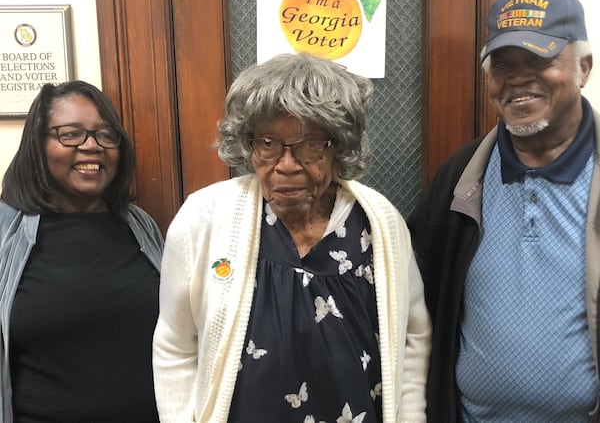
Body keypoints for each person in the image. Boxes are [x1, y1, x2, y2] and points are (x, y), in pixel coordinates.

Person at [153, 52, 431, 422]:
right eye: (267, 143)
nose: (286, 164)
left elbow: (413, 339)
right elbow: (175, 346)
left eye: (311, 144)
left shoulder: (379, 223)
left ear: (339, 146)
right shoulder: (204, 220)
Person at [407, 0, 599, 422]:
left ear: (583, 67)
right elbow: (415, 296)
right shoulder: (462, 175)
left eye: (539, 59)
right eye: (502, 64)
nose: (516, 79)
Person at [0, 80, 164, 422]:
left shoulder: (141, 227)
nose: (92, 146)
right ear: (38, 144)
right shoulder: (6, 233)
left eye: (106, 135)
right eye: (71, 134)